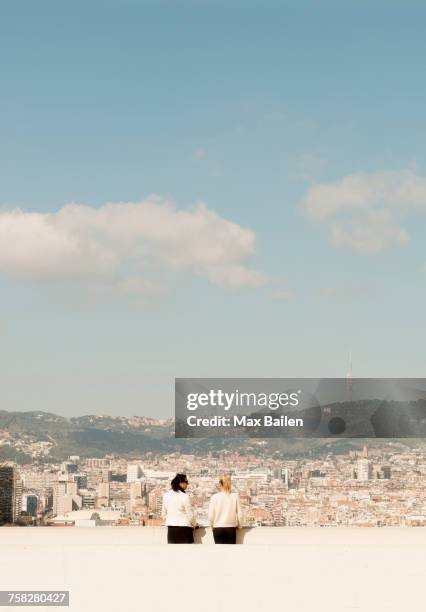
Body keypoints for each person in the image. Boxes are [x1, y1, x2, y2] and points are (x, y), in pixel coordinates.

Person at [162, 473, 196, 543]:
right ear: (181, 483)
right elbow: (190, 515)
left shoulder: (166, 496)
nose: (187, 484)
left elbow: (163, 515)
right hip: (184, 529)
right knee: (188, 553)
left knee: (173, 553)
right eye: (186, 482)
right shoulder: (184, 496)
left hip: (171, 529)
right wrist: (194, 524)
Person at [208, 474, 243, 544]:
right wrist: (239, 525)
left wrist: (212, 526)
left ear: (220, 484)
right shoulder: (235, 496)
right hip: (231, 528)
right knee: (231, 553)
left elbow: (210, 516)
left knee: (219, 552)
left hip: (217, 528)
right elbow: (240, 514)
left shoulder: (214, 497)